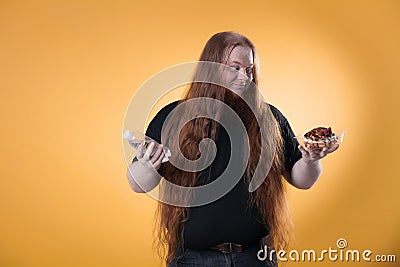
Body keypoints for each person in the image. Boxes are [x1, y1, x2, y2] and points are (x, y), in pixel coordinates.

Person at [126, 31, 339, 267]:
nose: (244, 77)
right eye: (235, 68)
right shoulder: (174, 116)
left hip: (255, 257)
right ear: (212, 68)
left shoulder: (269, 117)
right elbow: (138, 184)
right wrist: (147, 164)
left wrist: (311, 160)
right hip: (193, 259)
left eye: (249, 70)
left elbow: (302, 179)